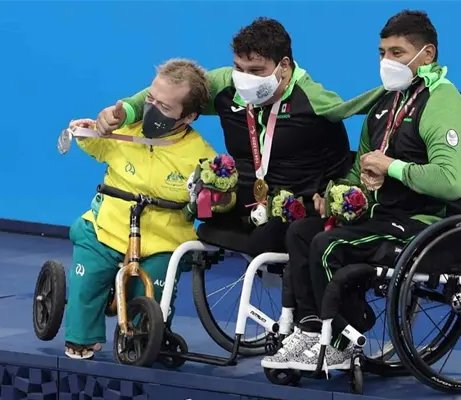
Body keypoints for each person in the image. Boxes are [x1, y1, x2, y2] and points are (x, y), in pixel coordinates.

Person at [262, 10, 461, 371]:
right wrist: (337, 194)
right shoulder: (385, 103)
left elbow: (450, 182)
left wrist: (392, 167)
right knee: (301, 232)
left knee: (328, 244)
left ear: (427, 54)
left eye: (397, 52)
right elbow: (359, 168)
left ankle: (342, 341)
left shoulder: (443, 101)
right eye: (382, 52)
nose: (386, 61)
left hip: (422, 221)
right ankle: (311, 329)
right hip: (378, 214)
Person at [94, 17, 385, 257]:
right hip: (250, 195)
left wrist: (340, 189)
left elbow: (358, 114)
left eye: (256, 71)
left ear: (284, 66)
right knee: (206, 211)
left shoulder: (313, 99)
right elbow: (172, 90)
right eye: (239, 68)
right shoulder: (226, 83)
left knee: (264, 240)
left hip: (298, 201)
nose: (245, 78)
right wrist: (127, 111)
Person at [64, 58, 219, 359]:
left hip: (163, 241)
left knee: (156, 289)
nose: (152, 110)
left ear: (189, 116)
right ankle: (81, 337)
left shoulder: (202, 157)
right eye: (151, 99)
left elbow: (210, 202)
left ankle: (143, 340)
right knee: (89, 277)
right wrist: (85, 131)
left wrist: (217, 194)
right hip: (108, 227)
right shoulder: (125, 129)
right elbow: (98, 145)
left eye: (165, 107)